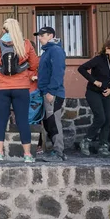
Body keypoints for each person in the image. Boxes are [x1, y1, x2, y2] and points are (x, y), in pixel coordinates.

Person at [0, 18, 39, 163]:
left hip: (1, 87)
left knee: (1, 120)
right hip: (21, 87)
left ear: (4, 30)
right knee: (23, 120)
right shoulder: (26, 44)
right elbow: (34, 64)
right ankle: (27, 155)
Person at [78, 39, 110, 157]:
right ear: (107, 49)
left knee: (107, 119)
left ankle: (103, 147)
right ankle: (86, 141)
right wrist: (94, 81)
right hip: (93, 93)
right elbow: (81, 68)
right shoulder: (98, 59)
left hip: (106, 94)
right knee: (100, 118)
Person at [34, 26, 67, 162]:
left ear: (50, 36)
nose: (39, 38)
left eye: (42, 35)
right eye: (39, 35)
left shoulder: (55, 51)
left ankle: (59, 153)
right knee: (48, 123)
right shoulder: (48, 52)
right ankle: (55, 151)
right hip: (46, 92)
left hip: (52, 93)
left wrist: (51, 91)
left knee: (53, 122)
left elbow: (58, 72)